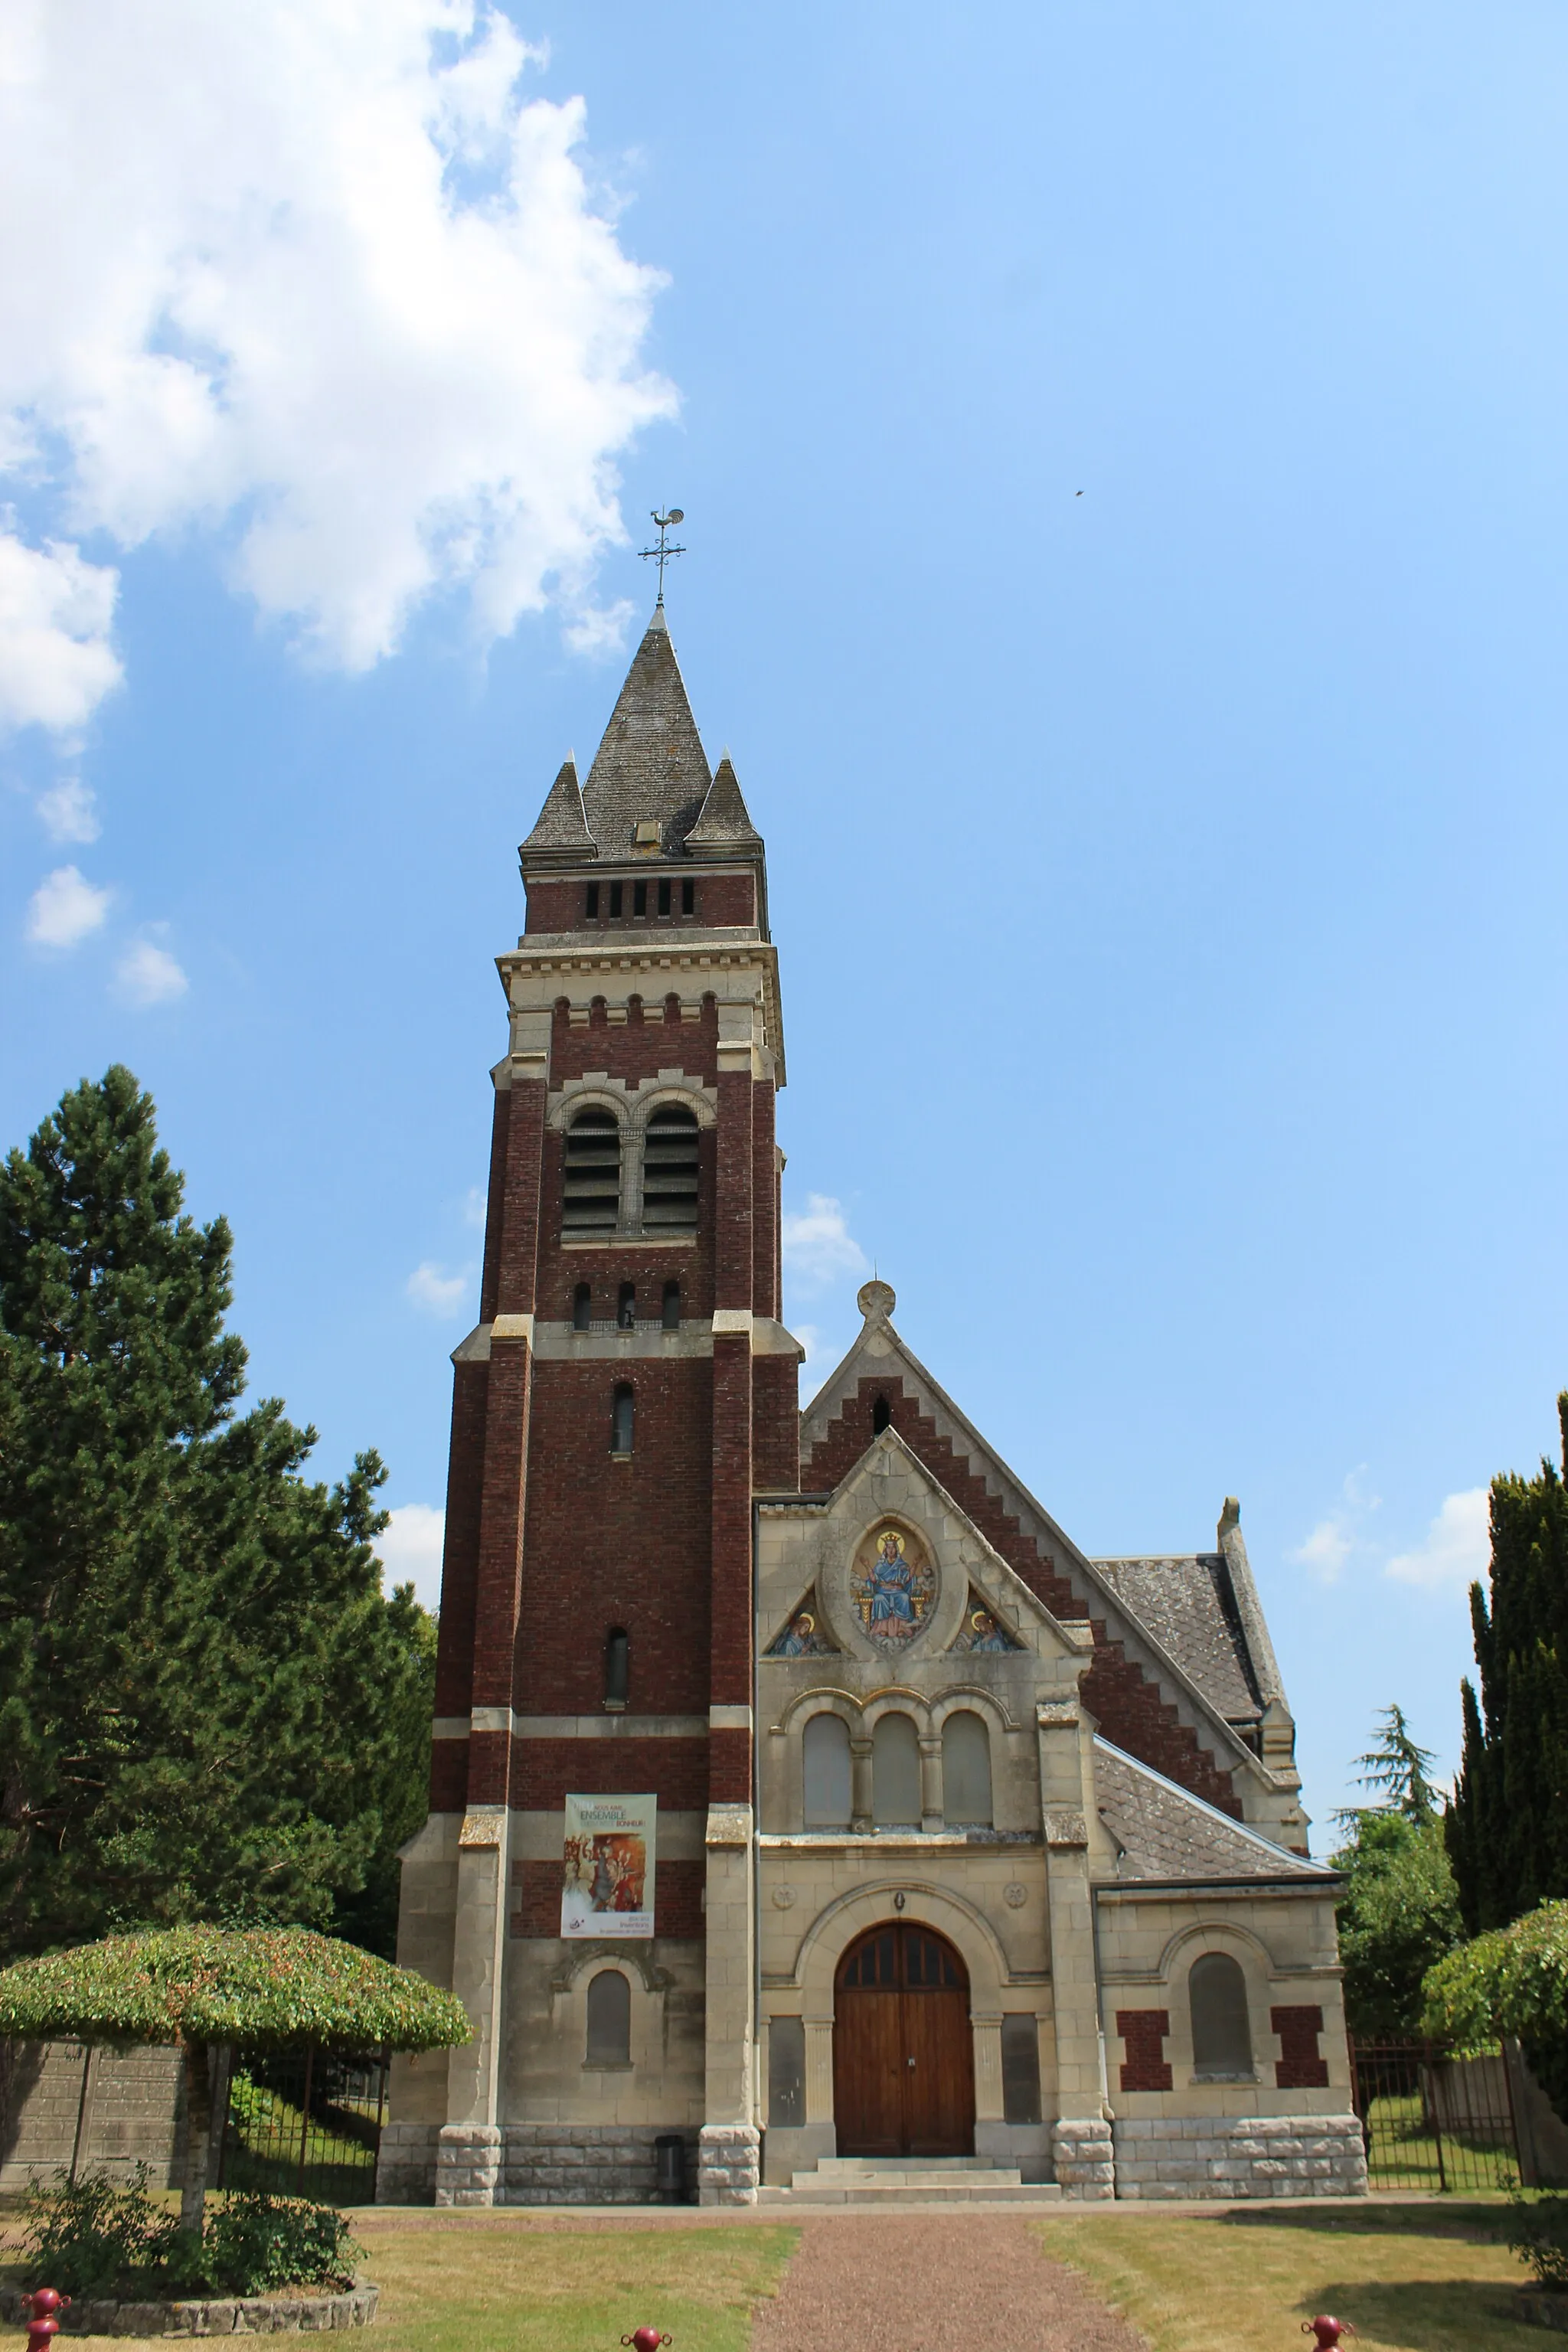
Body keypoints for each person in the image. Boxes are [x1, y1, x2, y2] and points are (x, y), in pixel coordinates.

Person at [866, 1529, 919, 1638]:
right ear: (885, 1550)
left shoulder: (901, 1565)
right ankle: (882, 1628)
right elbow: (874, 1580)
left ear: (897, 1549)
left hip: (898, 1591)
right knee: (878, 1598)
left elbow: (908, 1578)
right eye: (888, 1548)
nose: (891, 1550)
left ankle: (902, 1628)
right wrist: (867, 1566)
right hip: (883, 1591)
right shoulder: (880, 1566)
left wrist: (915, 1564)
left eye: (893, 1547)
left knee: (904, 1597)